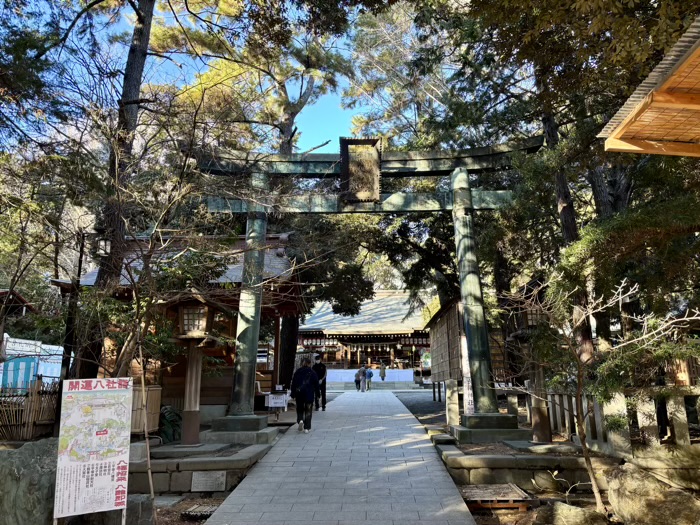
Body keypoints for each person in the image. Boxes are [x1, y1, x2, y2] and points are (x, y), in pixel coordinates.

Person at [290, 357, 319, 433]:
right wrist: (318, 394)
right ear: (309, 364)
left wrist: (293, 394)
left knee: (299, 409)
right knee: (308, 410)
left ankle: (300, 420)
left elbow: (293, 384)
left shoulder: (297, 372)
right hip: (309, 394)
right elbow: (316, 384)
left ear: (301, 363)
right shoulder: (313, 373)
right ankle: (307, 427)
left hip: (299, 394)